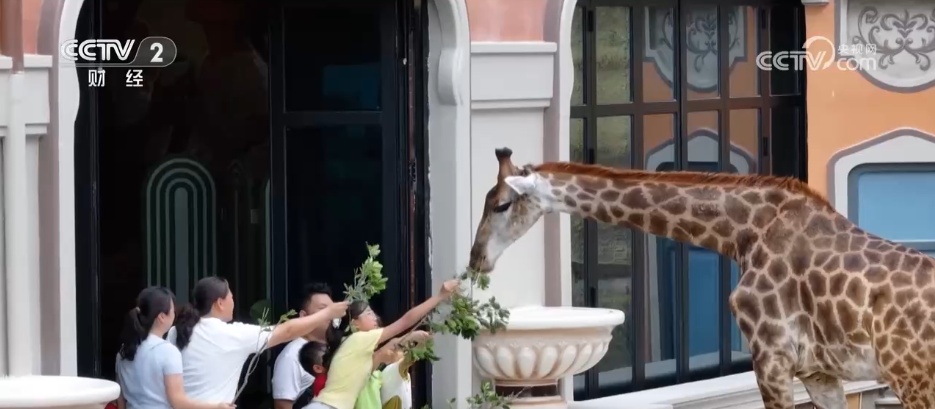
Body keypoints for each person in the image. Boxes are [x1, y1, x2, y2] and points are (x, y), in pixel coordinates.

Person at [167, 276, 349, 403]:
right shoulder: (231, 334)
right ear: (220, 303)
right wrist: (328, 313)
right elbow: (286, 331)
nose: (233, 302)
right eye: (231, 297)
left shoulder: (176, 331)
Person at [306, 279, 460, 409]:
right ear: (354, 323)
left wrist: (411, 337)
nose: (374, 317)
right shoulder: (358, 339)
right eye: (368, 313)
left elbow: (385, 351)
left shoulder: (354, 349)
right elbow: (405, 321)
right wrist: (440, 296)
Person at [115, 286, 233, 409]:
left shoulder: (123, 352)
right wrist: (216, 406)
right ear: (161, 317)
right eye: (172, 310)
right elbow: (178, 401)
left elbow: (121, 401)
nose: (174, 313)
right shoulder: (167, 351)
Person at [272, 283, 335, 409]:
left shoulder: (335, 347)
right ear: (304, 316)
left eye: (332, 310)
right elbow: (282, 406)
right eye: (323, 309)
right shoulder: (291, 356)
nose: (330, 314)